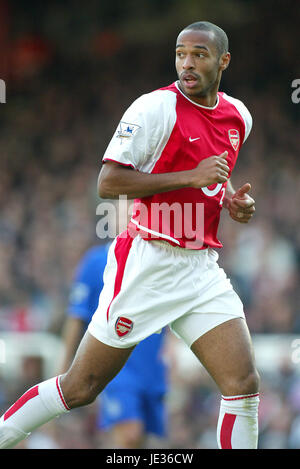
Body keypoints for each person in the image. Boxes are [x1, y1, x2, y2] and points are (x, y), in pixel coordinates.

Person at [0, 21, 260, 450]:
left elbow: (216, 177)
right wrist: (190, 177)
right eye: (181, 54)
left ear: (223, 61)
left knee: (244, 383)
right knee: (80, 388)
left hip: (200, 269)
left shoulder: (239, 116)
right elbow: (108, 182)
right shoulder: (154, 109)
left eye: (199, 54)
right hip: (148, 262)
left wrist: (232, 201)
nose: (187, 64)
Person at [59, 244, 168, 448]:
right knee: (130, 435)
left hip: (152, 365)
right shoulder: (97, 260)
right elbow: (76, 315)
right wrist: (65, 365)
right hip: (116, 366)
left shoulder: (163, 257)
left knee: (144, 439)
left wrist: (172, 348)